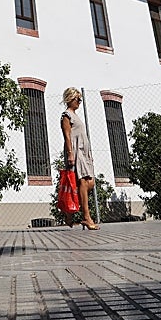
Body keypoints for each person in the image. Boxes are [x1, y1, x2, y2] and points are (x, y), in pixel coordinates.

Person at [61, 87, 99, 230]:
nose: (80, 102)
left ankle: (68, 214)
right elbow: (67, 136)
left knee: (90, 183)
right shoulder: (66, 115)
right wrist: (70, 153)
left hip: (84, 152)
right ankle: (86, 217)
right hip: (76, 152)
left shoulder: (75, 115)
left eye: (80, 99)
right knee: (82, 182)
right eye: (78, 99)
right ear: (70, 99)